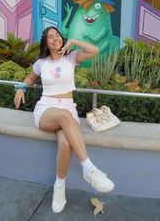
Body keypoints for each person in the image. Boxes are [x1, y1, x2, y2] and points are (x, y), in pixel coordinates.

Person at [14, 26, 114, 214]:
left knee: (65, 143)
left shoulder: (72, 57)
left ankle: (59, 189)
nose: (55, 38)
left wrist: (74, 42)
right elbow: (30, 77)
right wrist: (21, 88)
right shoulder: (41, 63)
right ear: (46, 43)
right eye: (50, 37)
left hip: (67, 107)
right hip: (47, 110)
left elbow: (94, 50)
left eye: (57, 35)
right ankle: (89, 169)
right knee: (64, 116)